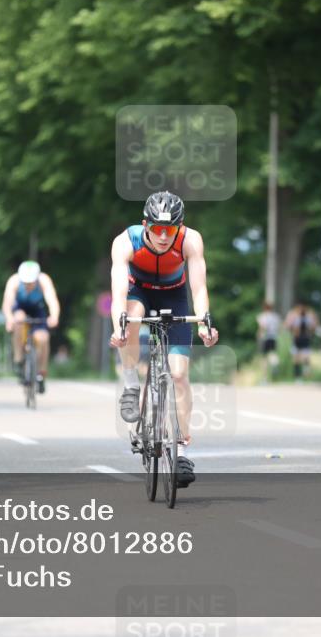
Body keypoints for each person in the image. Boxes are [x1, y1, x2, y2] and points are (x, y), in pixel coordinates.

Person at [109, 191, 219, 489]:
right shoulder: (125, 242)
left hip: (174, 294)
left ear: (179, 228)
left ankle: (181, 450)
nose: (162, 236)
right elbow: (118, 291)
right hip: (138, 291)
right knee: (130, 319)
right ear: (145, 224)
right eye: (156, 228)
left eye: (169, 230)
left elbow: (198, 289)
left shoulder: (190, 241)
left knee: (180, 375)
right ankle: (131, 383)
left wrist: (205, 322)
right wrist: (119, 327)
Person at [2, 260, 61, 394]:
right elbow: (7, 303)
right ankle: (18, 358)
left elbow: (52, 300)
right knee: (18, 319)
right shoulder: (14, 281)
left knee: (43, 338)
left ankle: (41, 373)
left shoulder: (44, 280)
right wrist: (9, 318)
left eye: (31, 282)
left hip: (37, 309)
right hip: (19, 308)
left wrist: (54, 316)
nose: (28, 285)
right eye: (25, 283)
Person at [284, 303, 318, 380]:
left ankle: (299, 375)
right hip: (303, 338)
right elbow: (313, 327)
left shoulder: (297, 317)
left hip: (299, 338)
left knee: (298, 358)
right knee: (302, 357)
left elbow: (288, 326)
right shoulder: (307, 318)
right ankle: (303, 371)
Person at [256, 302, 281, 380]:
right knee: (273, 353)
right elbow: (279, 328)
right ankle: (275, 363)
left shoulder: (262, 316)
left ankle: (264, 378)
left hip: (265, 338)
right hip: (273, 337)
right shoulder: (276, 317)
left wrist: (259, 334)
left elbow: (263, 327)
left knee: (264, 358)